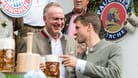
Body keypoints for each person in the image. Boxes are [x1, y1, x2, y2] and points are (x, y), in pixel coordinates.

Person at [19, 2, 76, 78]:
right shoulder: (28, 42)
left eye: (62, 19)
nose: (59, 23)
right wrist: (34, 72)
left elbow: (75, 72)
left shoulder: (72, 42)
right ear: (44, 19)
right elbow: (20, 72)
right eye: (55, 19)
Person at [60, 12, 122, 78]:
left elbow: (115, 74)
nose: (75, 32)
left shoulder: (113, 49)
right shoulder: (80, 55)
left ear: (89, 27)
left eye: (77, 28)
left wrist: (79, 64)